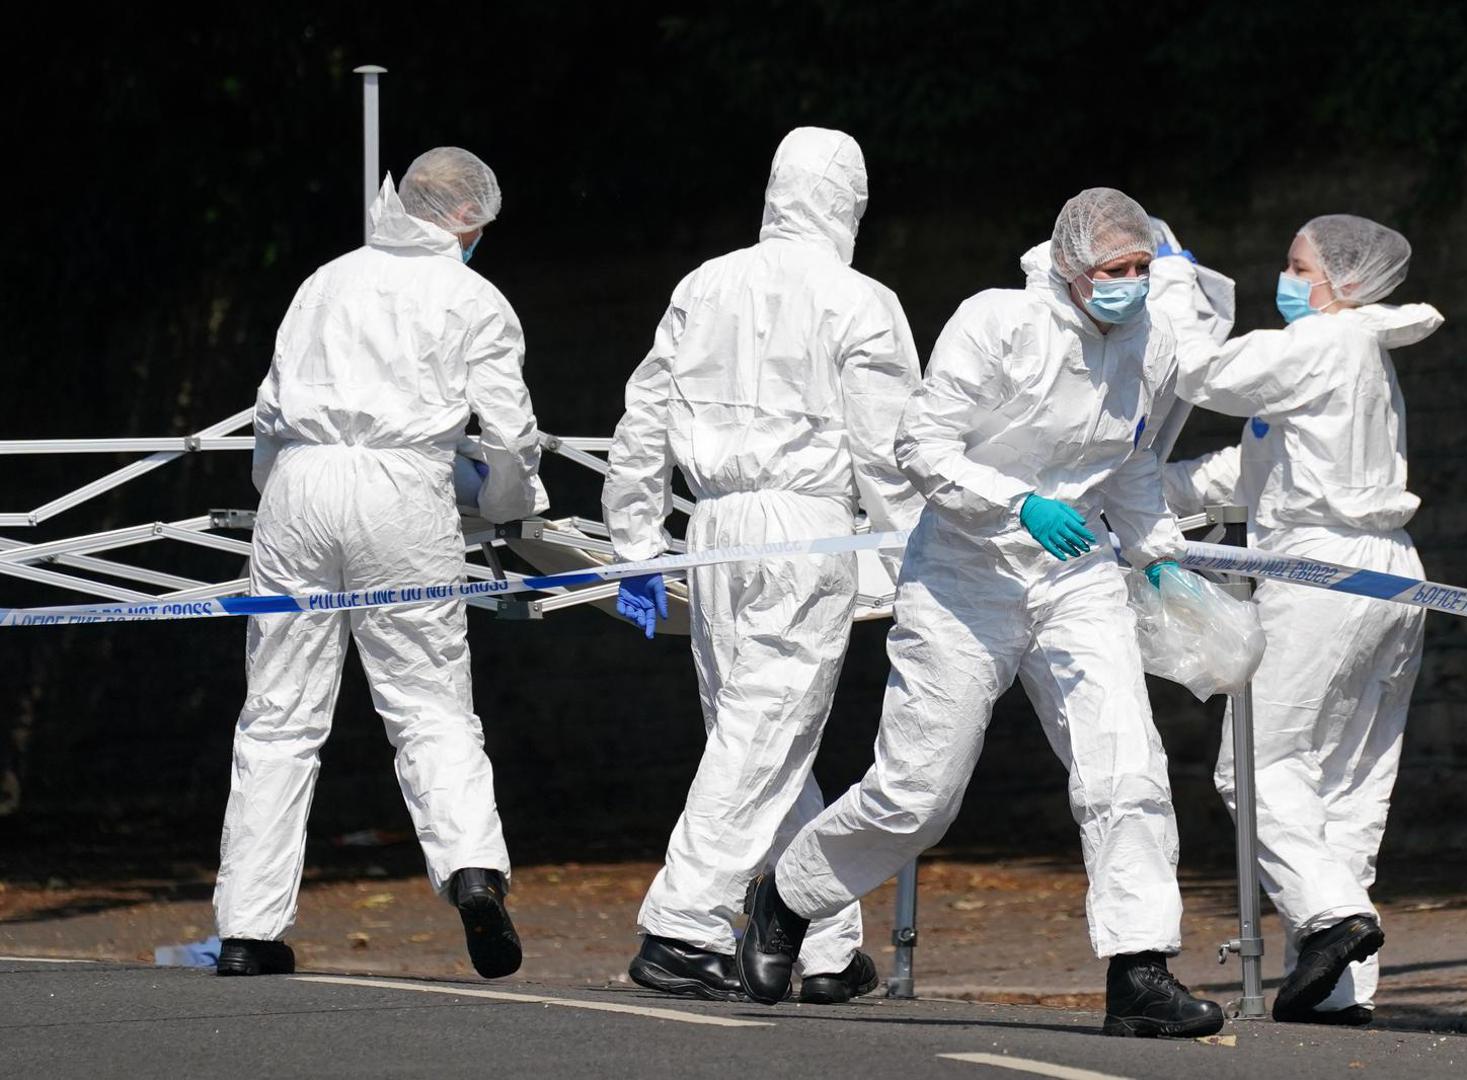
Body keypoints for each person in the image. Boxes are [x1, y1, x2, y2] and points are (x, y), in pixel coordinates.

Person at [736, 188, 1225, 1039]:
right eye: (1117, 270)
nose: (1133, 285)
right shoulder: (999, 322)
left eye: (1144, 268)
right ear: (1073, 269)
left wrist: (1161, 556)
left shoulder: (1148, 344)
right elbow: (921, 445)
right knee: (920, 793)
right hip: (965, 574)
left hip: (1076, 576)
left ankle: (1140, 970)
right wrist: (1017, 502)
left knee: (1127, 766)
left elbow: (1132, 464)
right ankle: (788, 894)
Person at [601, 127, 923, 1005]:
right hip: (805, 530)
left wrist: (634, 544)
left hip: (713, 530)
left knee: (759, 735)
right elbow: (889, 453)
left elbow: (642, 421)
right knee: (765, 733)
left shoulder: (701, 285)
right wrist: (915, 557)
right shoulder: (860, 300)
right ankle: (684, 923)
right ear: (850, 201)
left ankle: (823, 942)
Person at [212, 147, 546, 980]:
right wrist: (508, 507)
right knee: (429, 701)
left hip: (298, 488)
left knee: (278, 715)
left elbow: (268, 413)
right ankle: (472, 869)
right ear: (468, 221)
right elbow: (508, 437)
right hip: (404, 491)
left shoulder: (323, 282)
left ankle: (249, 930)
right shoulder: (473, 297)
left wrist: (279, 490)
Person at [1153, 214, 1441, 1024]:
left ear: (1340, 281)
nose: (1286, 278)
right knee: (1346, 778)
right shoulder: (1356, 357)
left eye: (1296, 264)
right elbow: (1247, 474)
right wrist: (1130, 502)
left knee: (1254, 763)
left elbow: (1203, 370)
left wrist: (1175, 283)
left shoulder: (1323, 344)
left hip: (1324, 576)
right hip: (1388, 574)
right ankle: (1341, 989)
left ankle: (1330, 917)